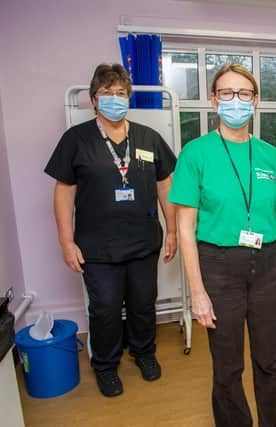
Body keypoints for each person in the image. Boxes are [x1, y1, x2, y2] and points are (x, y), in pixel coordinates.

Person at [169, 63, 276, 427]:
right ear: (214, 100)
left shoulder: (269, 155)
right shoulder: (195, 154)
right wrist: (197, 292)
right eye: (227, 93)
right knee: (228, 366)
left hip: (269, 265)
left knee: (269, 361)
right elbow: (185, 228)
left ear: (255, 101)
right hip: (219, 267)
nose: (236, 101)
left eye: (244, 94)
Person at [44, 63, 177, 397]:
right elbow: (64, 191)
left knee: (143, 303)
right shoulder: (77, 139)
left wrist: (172, 230)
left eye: (120, 93)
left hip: (143, 241)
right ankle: (105, 365)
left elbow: (165, 185)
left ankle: (144, 353)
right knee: (104, 307)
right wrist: (66, 241)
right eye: (107, 93)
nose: (114, 99)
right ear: (93, 99)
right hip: (97, 246)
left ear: (128, 97)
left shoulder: (148, 137)